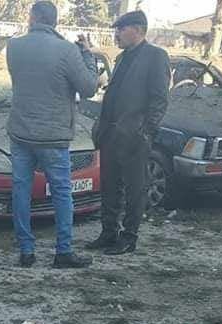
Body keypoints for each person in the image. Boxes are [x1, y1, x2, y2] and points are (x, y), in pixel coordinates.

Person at [6, 1, 99, 269]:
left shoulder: (14, 47)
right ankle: (63, 251)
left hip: (21, 132)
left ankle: (26, 251)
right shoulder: (67, 51)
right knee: (61, 192)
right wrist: (87, 54)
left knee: (21, 190)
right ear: (55, 21)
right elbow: (89, 88)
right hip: (53, 135)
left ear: (33, 18)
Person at [86, 10, 170, 255]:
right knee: (110, 186)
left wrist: (146, 131)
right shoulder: (122, 57)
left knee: (135, 188)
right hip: (110, 133)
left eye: (121, 29)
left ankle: (129, 237)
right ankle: (109, 232)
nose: (117, 34)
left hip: (135, 135)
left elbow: (160, 99)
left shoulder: (155, 56)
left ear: (138, 30)